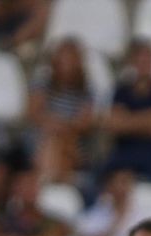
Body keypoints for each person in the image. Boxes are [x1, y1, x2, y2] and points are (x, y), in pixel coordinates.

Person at [102, 39, 151, 197]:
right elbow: (114, 124)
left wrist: (129, 120)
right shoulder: (121, 91)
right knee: (100, 182)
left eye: (148, 59)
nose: (144, 63)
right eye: (140, 59)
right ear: (132, 61)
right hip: (126, 153)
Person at [27, 37, 96, 185]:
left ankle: (49, 180)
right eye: (62, 59)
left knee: (62, 142)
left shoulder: (86, 91)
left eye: (70, 59)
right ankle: (52, 180)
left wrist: (59, 125)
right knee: (53, 141)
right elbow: (34, 113)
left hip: (72, 141)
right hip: (43, 138)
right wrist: (61, 126)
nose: (65, 64)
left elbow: (84, 123)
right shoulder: (42, 84)